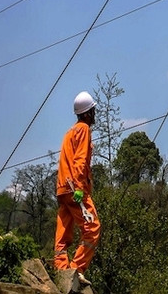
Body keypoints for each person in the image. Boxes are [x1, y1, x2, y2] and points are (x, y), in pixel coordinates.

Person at [54, 91, 102, 286]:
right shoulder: (83, 129)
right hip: (75, 189)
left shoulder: (69, 132)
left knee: (63, 234)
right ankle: (77, 269)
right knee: (92, 228)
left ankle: (61, 270)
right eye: (93, 110)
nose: (94, 114)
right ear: (88, 112)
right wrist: (80, 188)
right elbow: (80, 160)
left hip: (63, 189)